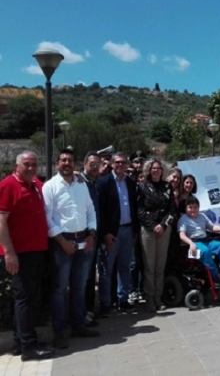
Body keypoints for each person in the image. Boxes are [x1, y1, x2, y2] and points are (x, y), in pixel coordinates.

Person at [0, 151, 55, 361]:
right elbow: (1, 222)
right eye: (26, 164)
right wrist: (9, 253)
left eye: (34, 164)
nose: (31, 168)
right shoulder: (7, 186)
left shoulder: (36, 185)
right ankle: (29, 348)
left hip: (35, 252)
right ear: (16, 166)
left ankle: (19, 341)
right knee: (26, 299)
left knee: (29, 297)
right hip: (20, 254)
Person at [43, 149, 100, 349]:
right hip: (62, 243)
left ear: (75, 164)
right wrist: (61, 241)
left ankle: (78, 326)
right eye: (63, 160)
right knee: (59, 289)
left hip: (84, 239)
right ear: (57, 163)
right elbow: (47, 217)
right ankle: (59, 333)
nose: (67, 163)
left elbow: (90, 210)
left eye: (70, 160)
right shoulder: (49, 187)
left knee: (79, 286)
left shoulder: (81, 184)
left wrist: (92, 234)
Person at [96, 152, 139, 316]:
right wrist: (105, 233)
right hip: (111, 234)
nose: (120, 165)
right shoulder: (103, 183)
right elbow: (100, 211)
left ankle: (123, 300)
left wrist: (134, 231)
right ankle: (106, 303)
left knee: (125, 267)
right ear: (112, 164)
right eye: (117, 162)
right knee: (106, 270)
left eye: (123, 163)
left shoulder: (129, 183)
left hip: (128, 231)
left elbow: (134, 208)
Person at [137, 159, 174, 313]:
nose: (156, 171)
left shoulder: (168, 187)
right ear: (149, 170)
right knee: (149, 267)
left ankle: (158, 297)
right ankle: (149, 298)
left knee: (160, 266)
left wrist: (163, 225)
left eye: (159, 168)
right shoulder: (142, 187)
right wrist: (153, 226)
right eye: (153, 168)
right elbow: (139, 210)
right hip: (148, 230)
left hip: (164, 230)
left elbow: (172, 210)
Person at [177, 196, 220, 286]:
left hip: (206, 241)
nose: (193, 209)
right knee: (206, 251)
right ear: (186, 208)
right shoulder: (183, 219)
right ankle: (217, 276)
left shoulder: (202, 216)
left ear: (199, 208)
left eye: (195, 207)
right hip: (194, 242)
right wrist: (191, 243)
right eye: (190, 207)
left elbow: (212, 227)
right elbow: (182, 235)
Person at [80, 151, 101, 328]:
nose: (95, 168)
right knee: (83, 277)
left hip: (94, 236)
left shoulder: (94, 183)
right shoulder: (79, 182)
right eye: (92, 164)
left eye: (97, 165)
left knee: (88, 276)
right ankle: (81, 315)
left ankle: (87, 312)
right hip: (84, 237)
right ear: (84, 164)